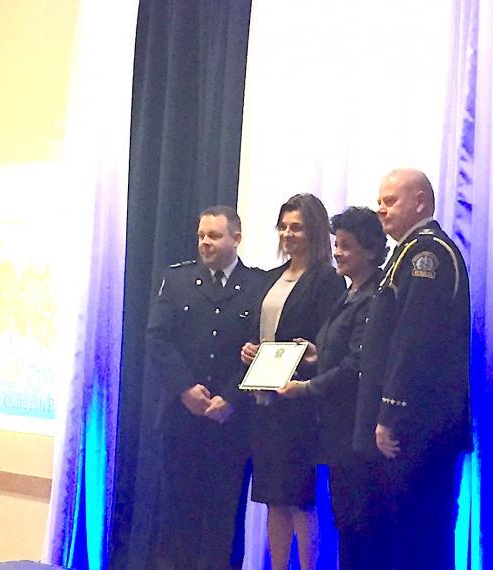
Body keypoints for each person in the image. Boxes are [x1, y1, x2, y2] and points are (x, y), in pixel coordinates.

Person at [353, 169, 472, 569]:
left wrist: (391, 412)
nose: (381, 210)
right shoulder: (405, 254)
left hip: (419, 428)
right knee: (398, 535)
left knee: (419, 535)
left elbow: (414, 340)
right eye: (380, 201)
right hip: (411, 427)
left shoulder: (428, 254)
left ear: (420, 201)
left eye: (391, 201)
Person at [146, 206, 262, 569]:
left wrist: (231, 395)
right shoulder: (178, 280)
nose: (205, 243)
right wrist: (184, 388)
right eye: (201, 236)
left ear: (236, 239)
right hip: (182, 417)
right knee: (177, 514)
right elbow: (158, 338)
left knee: (224, 518)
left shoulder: (258, 285)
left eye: (214, 236)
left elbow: (261, 348)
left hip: (231, 421)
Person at [277, 206, 387, 569]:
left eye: (346, 246)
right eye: (336, 244)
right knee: (345, 520)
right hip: (338, 430)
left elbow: (357, 364)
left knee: (360, 523)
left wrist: (306, 388)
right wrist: (314, 354)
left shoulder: (374, 296)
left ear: (370, 251)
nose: (337, 252)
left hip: (356, 429)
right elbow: (338, 353)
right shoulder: (350, 292)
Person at [240, 193, 346, 570]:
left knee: (299, 497)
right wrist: (251, 351)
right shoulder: (269, 279)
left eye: (296, 227)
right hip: (264, 403)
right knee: (272, 497)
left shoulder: (328, 280)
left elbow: (329, 343)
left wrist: (307, 357)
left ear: (314, 231)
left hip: (299, 404)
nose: (287, 233)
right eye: (283, 226)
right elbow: (261, 331)